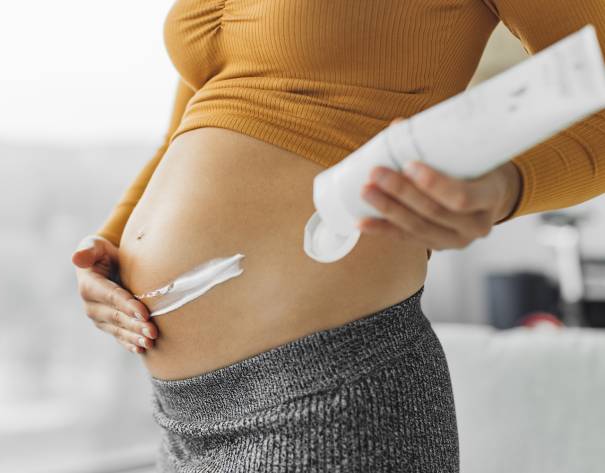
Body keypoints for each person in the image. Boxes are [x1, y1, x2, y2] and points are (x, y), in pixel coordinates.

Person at [72, 1, 605, 471]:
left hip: (332, 392)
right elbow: (194, 119)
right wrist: (110, 243)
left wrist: (506, 186)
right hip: (181, 410)